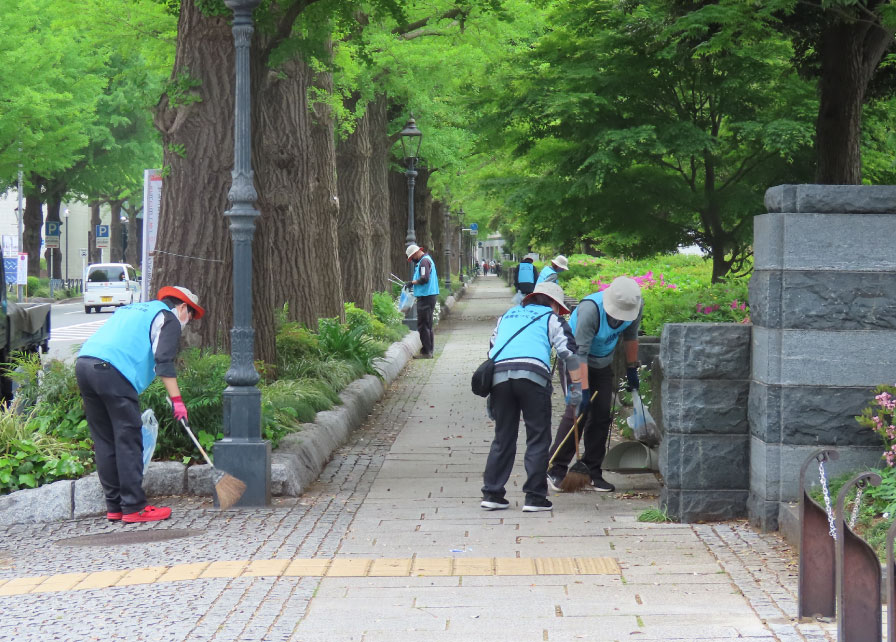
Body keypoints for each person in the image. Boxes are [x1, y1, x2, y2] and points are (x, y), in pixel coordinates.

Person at [76, 286, 205, 524]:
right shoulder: (169, 318)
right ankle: (134, 507)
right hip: (113, 371)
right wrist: (178, 401)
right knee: (128, 439)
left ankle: (115, 507)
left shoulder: (134, 309)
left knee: (105, 440)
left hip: (85, 363)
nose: (189, 322)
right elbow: (163, 360)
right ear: (183, 307)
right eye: (191, 316)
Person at [481, 282, 585, 513]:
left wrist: (492, 395)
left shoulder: (507, 315)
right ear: (554, 304)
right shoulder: (552, 318)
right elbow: (570, 354)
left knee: (503, 436)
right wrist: (576, 389)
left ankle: (492, 493)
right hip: (533, 378)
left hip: (499, 379)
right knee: (538, 436)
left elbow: (492, 351)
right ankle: (535, 497)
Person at [547, 276, 643, 493]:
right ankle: (556, 468)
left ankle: (592, 471)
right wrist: (582, 388)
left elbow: (631, 336)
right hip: (575, 360)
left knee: (601, 414)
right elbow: (579, 352)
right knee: (578, 413)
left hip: (602, 363)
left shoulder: (635, 306)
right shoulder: (590, 310)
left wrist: (631, 368)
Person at [405, 244, 439, 359]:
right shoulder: (426, 260)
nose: (412, 260)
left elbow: (424, 278)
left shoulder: (424, 262)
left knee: (423, 325)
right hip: (429, 296)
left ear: (415, 254)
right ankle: (427, 350)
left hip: (426, 296)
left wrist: (412, 282)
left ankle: (427, 352)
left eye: (412, 258)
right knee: (427, 324)